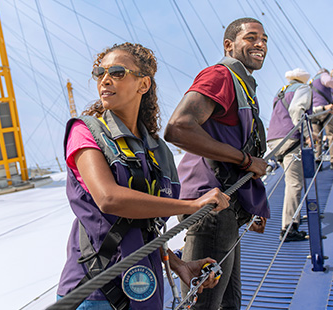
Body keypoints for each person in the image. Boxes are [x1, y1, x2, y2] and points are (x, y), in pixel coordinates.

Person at [56, 42, 230, 310]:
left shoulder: (157, 151)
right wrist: (191, 205)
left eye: (116, 72)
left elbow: (143, 228)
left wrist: (177, 264)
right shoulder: (86, 132)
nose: (104, 80)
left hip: (145, 292)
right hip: (96, 293)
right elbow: (109, 199)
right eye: (99, 73)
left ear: (143, 84)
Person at [164, 18, 269, 310]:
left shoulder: (243, 84)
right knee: (204, 305)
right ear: (229, 45)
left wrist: (251, 204)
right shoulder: (220, 76)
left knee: (229, 304)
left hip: (227, 206)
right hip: (210, 208)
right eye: (251, 38)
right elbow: (178, 128)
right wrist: (246, 160)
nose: (260, 44)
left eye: (264, 39)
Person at [267, 68, 312, 242]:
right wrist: (308, 135)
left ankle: (293, 218)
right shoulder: (303, 89)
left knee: (291, 182)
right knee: (294, 184)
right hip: (290, 139)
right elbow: (297, 110)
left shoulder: (281, 92)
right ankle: (288, 228)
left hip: (274, 141)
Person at [309, 68, 333, 169]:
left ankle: (317, 160)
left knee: (317, 137)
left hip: (314, 111)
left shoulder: (312, 81)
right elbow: (329, 81)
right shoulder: (323, 76)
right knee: (332, 135)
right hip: (326, 109)